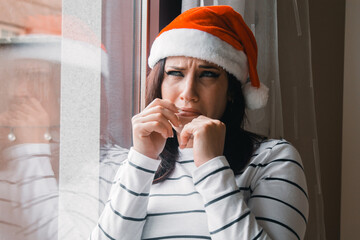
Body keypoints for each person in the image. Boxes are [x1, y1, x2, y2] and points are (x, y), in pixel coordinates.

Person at [89, 5, 308, 240]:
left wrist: (212, 166)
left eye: (208, 74)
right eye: (175, 73)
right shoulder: (131, 165)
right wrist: (142, 159)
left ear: (231, 91)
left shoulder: (272, 159)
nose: (188, 92)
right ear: (159, 83)